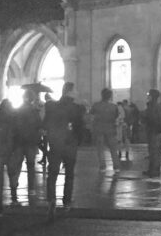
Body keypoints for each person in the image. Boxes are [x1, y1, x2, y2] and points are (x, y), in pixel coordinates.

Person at [42, 82, 85, 220]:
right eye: (75, 90)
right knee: (69, 174)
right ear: (70, 92)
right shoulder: (77, 108)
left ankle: (51, 200)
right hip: (70, 144)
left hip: (56, 143)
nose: (77, 92)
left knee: (52, 173)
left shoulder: (51, 106)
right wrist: (78, 140)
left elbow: (46, 124)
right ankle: (66, 202)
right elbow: (80, 127)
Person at [89, 88, 120, 171]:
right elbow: (116, 117)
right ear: (110, 96)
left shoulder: (96, 105)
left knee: (100, 149)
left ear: (101, 95)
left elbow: (91, 116)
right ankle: (116, 166)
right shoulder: (114, 106)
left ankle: (102, 166)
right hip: (110, 129)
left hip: (99, 129)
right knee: (113, 149)